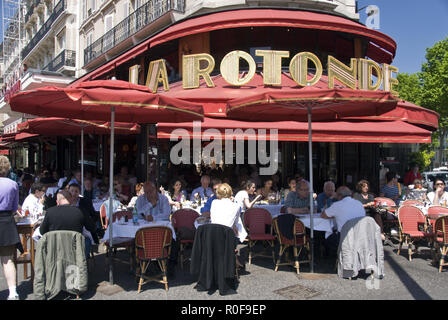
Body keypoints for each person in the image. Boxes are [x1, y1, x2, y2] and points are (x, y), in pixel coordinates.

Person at [39, 190, 99, 259]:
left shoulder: (50, 212)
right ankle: (82, 262)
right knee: (87, 240)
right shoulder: (80, 211)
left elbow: (42, 231)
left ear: (57, 202)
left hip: (56, 247)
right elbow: (92, 228)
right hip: (76, 247)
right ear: (71, 200)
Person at [210, 183, 247, 267]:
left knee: (233, 233)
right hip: (226, 236)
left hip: (213, 235)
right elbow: (236, 221)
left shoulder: (214, 202)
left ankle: (232, 259)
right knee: (235, 233)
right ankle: (233, 259)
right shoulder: (236, 206)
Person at [321, 186, 366, 255]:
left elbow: (323, 215)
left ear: (339, 195)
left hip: (344, 237)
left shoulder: (337, 205)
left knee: (324, 239)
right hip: (360, 235)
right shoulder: (359, 203)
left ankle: (332, 258)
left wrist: (331, 198)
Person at [0, 156, 20, 300]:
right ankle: (13, 293)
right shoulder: (13, 184)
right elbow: (14, 208)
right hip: (7, 221)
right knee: (8, 259)